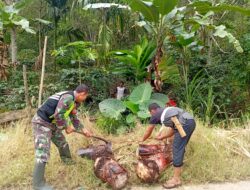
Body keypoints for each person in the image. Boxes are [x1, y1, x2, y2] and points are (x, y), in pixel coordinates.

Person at [31, 84, 93, 190]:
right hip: (41, 123)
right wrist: (66, 127)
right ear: (82, 94)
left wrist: (83, 129)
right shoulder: (68, 98)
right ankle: (38, 184)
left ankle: (67, 161)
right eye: (85, 97)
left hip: (52, 124)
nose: (85, 99)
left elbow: (73, 116)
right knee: (42, 152)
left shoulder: (75, 101)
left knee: (62, 142)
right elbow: (58, 115)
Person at [141, 103, 196, 189]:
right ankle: (179, 166)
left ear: (152, 111)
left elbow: (148, 131)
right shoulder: (168, 111)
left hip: (184, 124)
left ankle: (176, 179)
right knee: (180, 147)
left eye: (150, 113)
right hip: (190, 121)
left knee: (177, 149)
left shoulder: (155, 114)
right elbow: (174, 128)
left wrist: (141, 140)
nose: (151, 115)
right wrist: (163, 136)